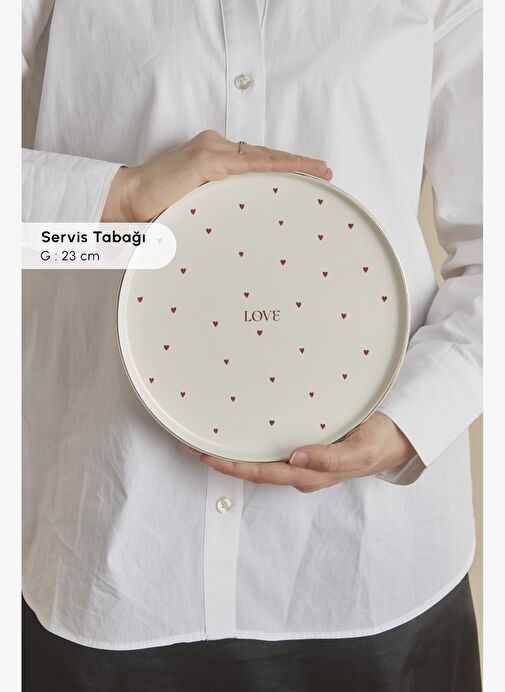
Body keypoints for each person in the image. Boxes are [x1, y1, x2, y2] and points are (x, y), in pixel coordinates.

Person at [22, 1, 482, 690]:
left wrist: (411, 423)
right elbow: (29, 242)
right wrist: (116, 200)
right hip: (111, 548)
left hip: (371, 562)